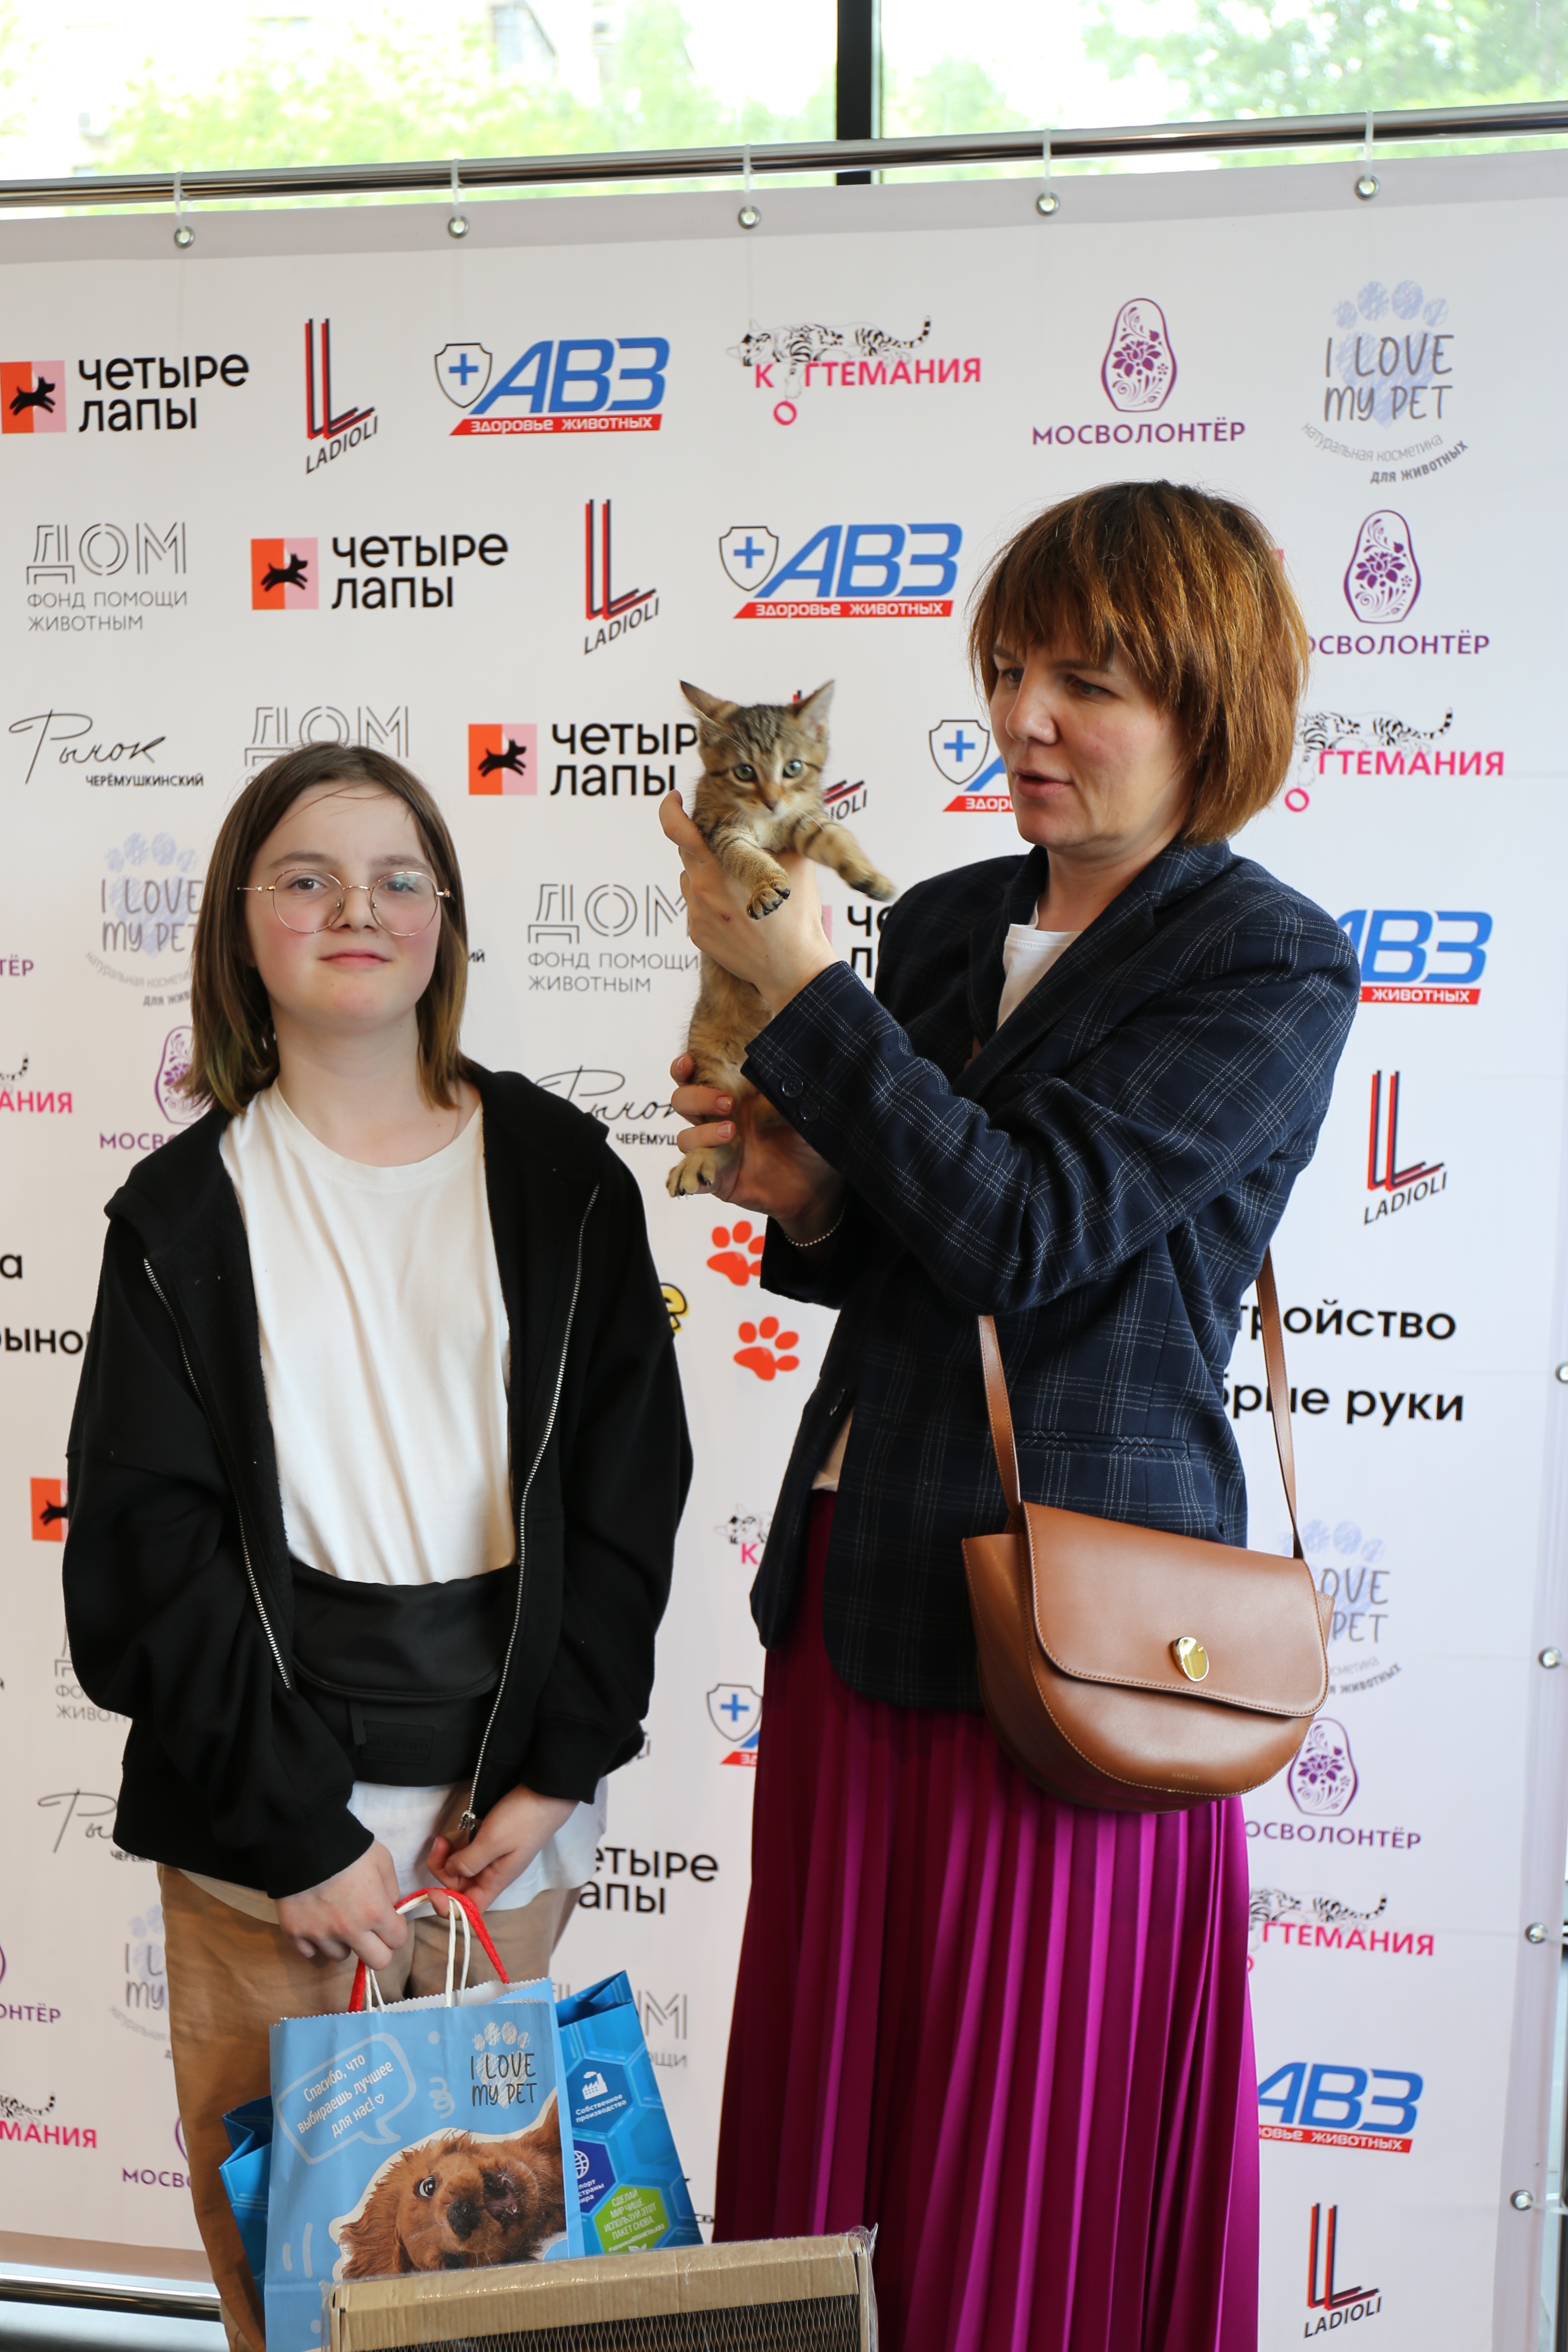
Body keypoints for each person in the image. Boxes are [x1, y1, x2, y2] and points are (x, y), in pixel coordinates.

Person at [662, 482, 1359, 2352]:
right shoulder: (953, 915)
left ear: (1210, 708)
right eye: (1011, 671)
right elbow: (902, 1244)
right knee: (832, 2151)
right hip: (854, 1597)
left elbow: (1027, 1233)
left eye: (1090, 684)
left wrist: (803, 987)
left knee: (1020, 2167)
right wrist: (800, 1188)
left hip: (1070, 1652)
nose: (1026, 720)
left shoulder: (1268, 960)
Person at [64, 745, 689, 2352]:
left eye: (400, 877)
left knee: (506, 2299)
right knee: (299, 2292)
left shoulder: (565, 1182)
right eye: (309, 878)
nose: (360, 907)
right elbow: (147, 1561)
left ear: (445, 921)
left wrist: (559, 1765)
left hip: (500, 1825)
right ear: (241, 922)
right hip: (261, 1847)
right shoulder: (177, 1222)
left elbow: (629, 1495)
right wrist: (295, 1831)